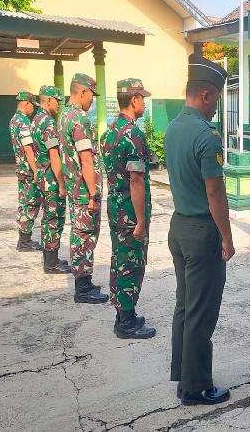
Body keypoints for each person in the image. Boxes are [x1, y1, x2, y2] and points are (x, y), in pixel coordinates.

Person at [165, 54, 233, 406]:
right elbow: (215, 192)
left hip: (178, 227)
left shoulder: (173, 127)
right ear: (205, 94)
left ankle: (182, 374)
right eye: (216, 98)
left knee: (184, 306)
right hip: (201, 232)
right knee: (201, 313)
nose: (216, 106)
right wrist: (227, 237)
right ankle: (195, 387)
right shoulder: (206, 136)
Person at [101, 78, 157, 339]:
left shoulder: (110, 132)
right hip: (130, 213)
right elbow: (136, 180)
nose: (143, 102)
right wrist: (141, 220)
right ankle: (126, 322)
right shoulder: (133, 135)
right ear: (134, 100)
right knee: (131, 264)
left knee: (119, 260)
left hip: (115, 208)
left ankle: (124, 314)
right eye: (142, 98)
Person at [57, 73, 109, 304]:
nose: (92, 101)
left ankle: (84, 282)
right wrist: (93, 194)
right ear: (82, 92)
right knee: (85, 237)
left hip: (73, 188)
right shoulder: (79, 119)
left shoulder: (63, 116)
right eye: (91, 96)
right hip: (84, 191)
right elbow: (86, 160)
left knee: (79, 234)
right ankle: (83, 289)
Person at [31, 85, 70, 274]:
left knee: (48, 219)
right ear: (48, 100)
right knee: (54, 219)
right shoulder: (48, 123)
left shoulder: (35, 120)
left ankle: (51, 259)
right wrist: (61, 184)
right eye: (57, 100)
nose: (59, 104)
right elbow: (54, 156)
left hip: (41, 175)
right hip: (51, 179)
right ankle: (51, 263)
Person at [9, 91, 43, 252]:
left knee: (24, 203)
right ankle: (24, 242)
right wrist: (36, 170)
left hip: (21, 168)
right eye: (32, 106)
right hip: (28, 170)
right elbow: (28, 149)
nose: (33, 110)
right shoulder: (23, 122)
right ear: (27, 103)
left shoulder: (14, 120)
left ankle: (24, 239)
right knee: (30, 204)